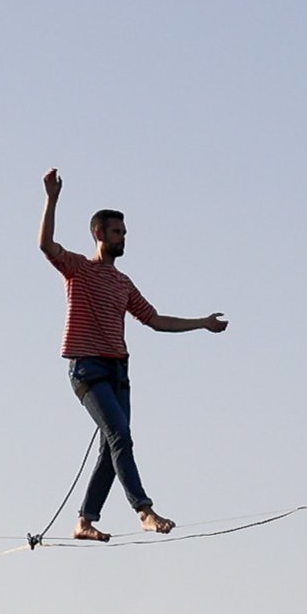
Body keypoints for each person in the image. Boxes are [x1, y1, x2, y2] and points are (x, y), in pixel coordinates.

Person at [36, 169, 227, 540]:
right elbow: (46, 245)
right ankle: (144, 510)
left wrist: (202, 323)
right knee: (120, 435)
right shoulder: (78, 269)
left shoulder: (123, 283)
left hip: (118, 371)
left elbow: (155, 320)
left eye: (124, 233)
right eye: (116, 232)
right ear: (99, 234)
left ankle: (84, 521)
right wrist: (52, 198)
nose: (123, 238)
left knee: (114, 445)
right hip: (87, 370)